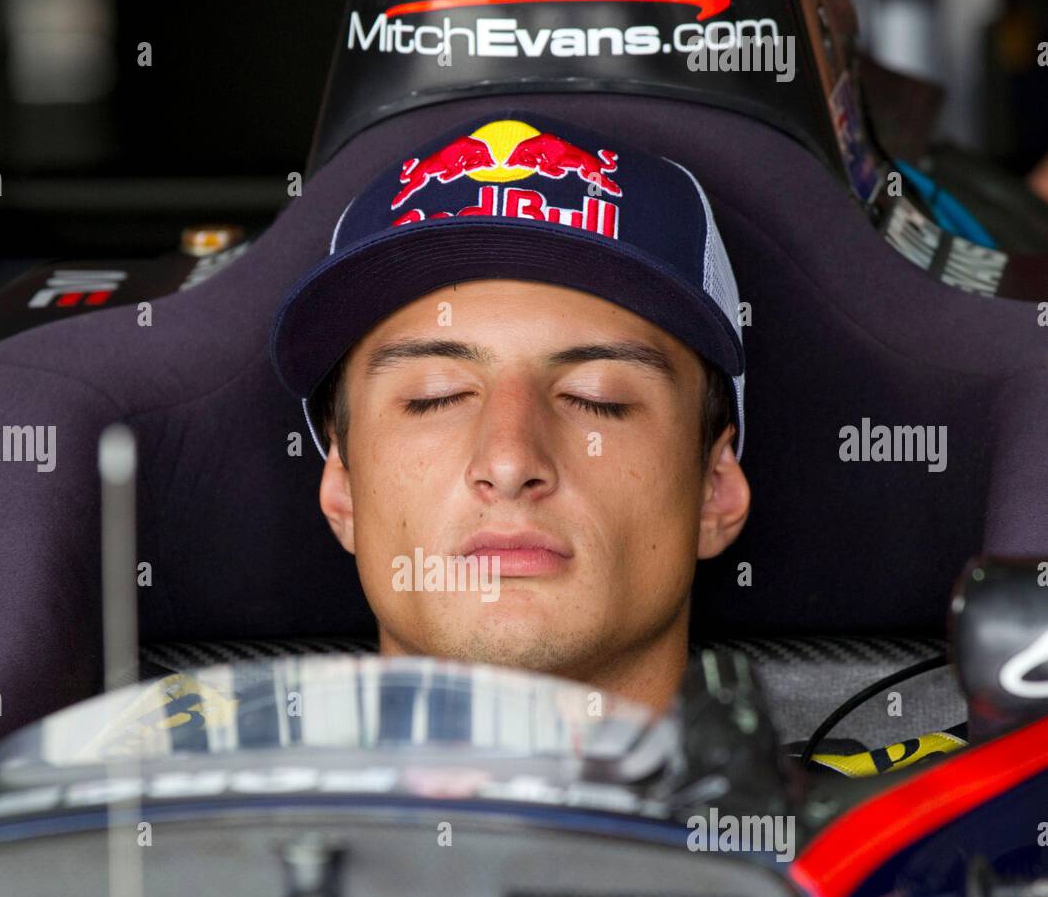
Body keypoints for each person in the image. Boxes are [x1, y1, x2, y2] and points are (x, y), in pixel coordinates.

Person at [269, 111, 966, 776]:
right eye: (434, 397)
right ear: (341, 489)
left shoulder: (908, 840)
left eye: (596, 398)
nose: (510, 462)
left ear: (715, 490)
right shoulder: (181, 853)